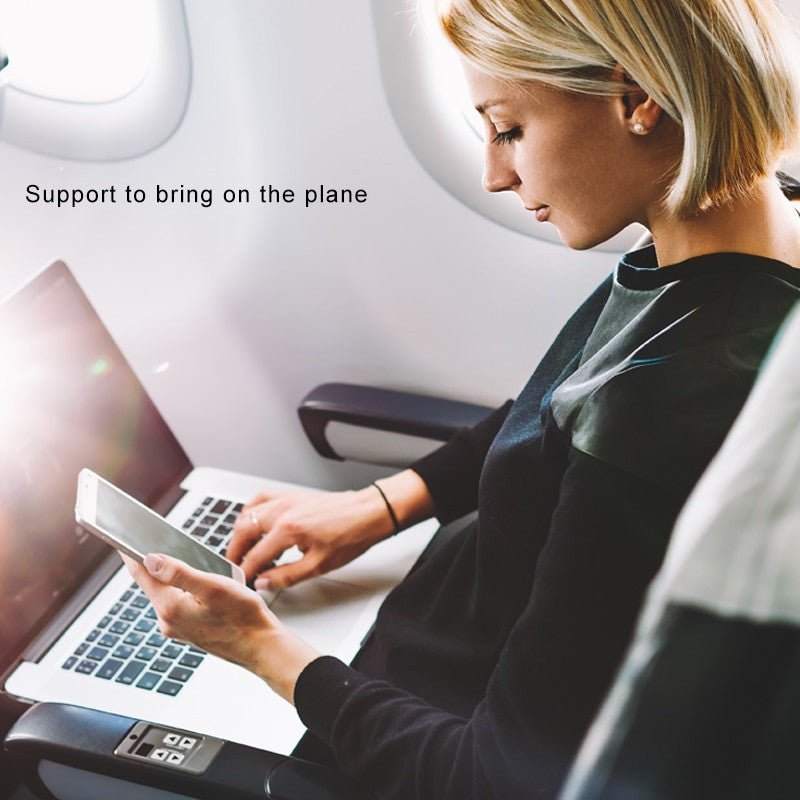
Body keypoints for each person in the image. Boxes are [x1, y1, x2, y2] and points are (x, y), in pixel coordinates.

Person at [124, 0, 800, 797]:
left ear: (637, 98)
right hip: (441, 618)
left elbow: (491, 777)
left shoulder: (672, 404)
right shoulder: (737, 239)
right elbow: (562, 404)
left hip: (425, 712)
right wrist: (382, 504)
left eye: (509, 127)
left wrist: (259, 649)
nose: (494, 173)